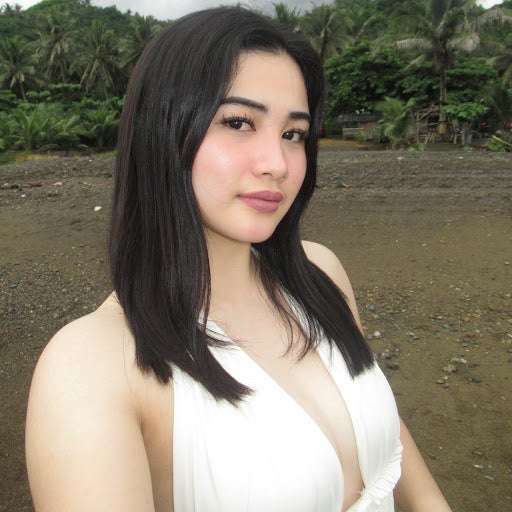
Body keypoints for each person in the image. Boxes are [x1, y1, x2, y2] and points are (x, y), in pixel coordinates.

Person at [26, 7, 452, 512]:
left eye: (293, 133)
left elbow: (383, 431)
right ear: (161, 130)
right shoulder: (92, 367)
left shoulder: (321, 272)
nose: (277, 164)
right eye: (238, 122)